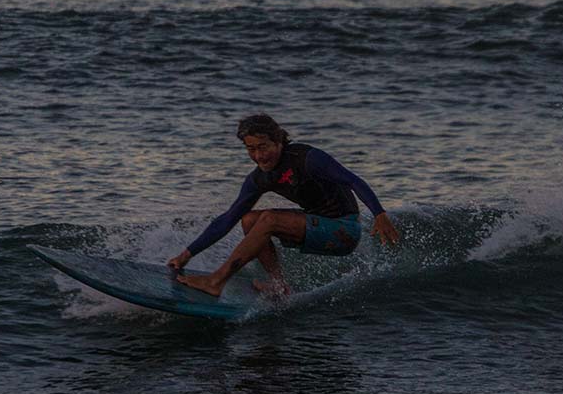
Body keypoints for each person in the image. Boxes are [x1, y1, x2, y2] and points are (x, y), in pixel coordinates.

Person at [167, 113, 399, 297]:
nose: (258, 155)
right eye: (250, 149)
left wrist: (379, 214)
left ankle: (216, 281)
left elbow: (352, 180)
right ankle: (278, 286)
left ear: (279, 141)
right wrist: (187, 254)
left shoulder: (307, 158)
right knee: (248, 218)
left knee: (269, 218)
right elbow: (227, 220)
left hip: (344, 230)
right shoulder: (259, 178)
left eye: (263, 146)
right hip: (317, 225)